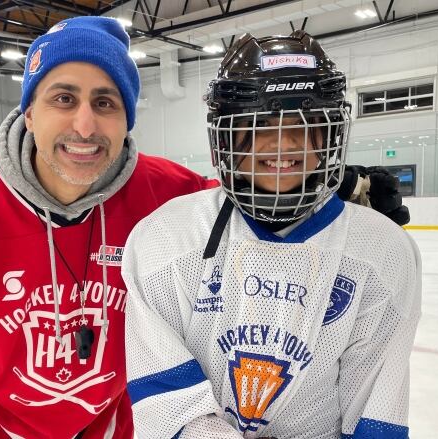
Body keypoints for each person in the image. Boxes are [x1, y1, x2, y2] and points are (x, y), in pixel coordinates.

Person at [0, 17, 410, 439]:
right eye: (63, 98)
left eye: (105, 103)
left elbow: (247, 193)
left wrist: (342, 188)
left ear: (127, 118)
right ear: (28, 112)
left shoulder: (165, 194)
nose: (84, 124)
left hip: (120, 425)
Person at [122, 31, 422, 439]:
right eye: (258, 123)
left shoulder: (381, 252)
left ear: (332, 134)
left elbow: (374, 409)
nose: (284, 142)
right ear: (222, 139)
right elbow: (165, 404)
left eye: (307, 121)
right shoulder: (165, 240)